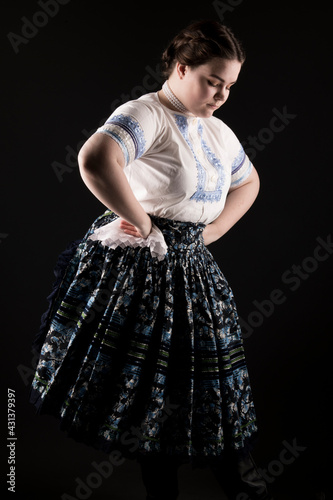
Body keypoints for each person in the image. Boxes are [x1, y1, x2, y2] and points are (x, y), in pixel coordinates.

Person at [30, 20, 274, 500]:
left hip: (191, 263)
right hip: (145, 269)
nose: (222, 94)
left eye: (229, 86)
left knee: (211, 378)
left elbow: (249, 182)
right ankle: (163, 492)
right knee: (153, 384)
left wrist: (213, 231)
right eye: (212, 81)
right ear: (182, 68)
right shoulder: (147, 114)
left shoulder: (218, 131)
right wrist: (141, 222)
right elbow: (96, 159)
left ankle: (235, 480)